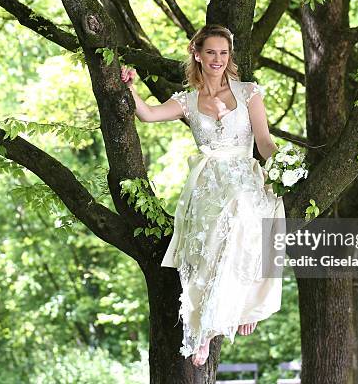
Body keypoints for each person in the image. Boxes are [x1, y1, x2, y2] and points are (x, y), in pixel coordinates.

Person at [121, 24, 285, 367]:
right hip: (209, 182)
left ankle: (241, 304)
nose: (218, 60)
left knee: (246, 215)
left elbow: (265, 142)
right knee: (210, 249)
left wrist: (285, 166)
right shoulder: (187, 100)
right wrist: (131, 88)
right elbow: (149, 115)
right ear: (197, 53)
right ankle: (204, 330)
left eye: (224, 53)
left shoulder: (249, 92)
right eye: (211, 52)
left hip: (243, 175)